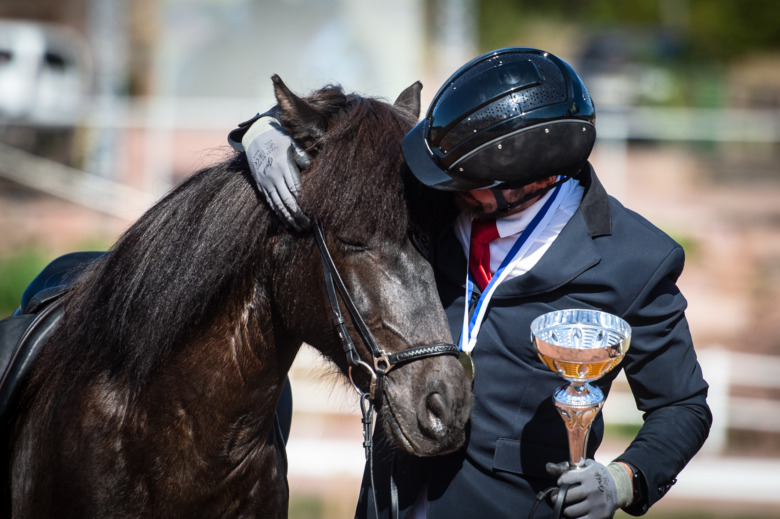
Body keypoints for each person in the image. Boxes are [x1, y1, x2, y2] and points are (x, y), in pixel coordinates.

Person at [228, 47, 712, 519]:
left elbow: (683, 406)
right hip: (387, 502)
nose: (445, 187)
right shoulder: (442, 202)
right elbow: (347, 137)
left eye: (466, 181)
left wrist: (625, 479)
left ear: (531, 180)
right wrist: (261, 130)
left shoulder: (636, 260)